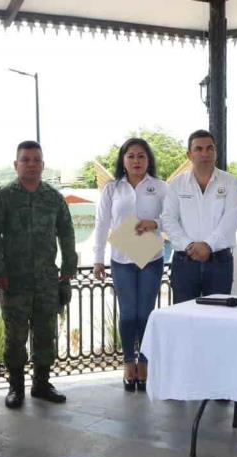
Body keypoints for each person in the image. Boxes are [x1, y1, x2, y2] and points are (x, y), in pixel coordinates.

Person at [0, 141, 78, 409]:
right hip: (13, 281)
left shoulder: (52, 197)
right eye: (25, 159)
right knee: (15, 336)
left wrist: (69, 265)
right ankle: (15, 387)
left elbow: (67, 232)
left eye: (36, 159)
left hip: (47, 279)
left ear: (42, 164)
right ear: (16, 165)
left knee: (45, 333)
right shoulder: (4, 197)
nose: (31, 164)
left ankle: (41, 383)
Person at [92, 138, 166, 392]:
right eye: (131, 156)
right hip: (121, 259)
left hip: (151, 259)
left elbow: (172, 220)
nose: (136, 161)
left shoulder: (160, 187)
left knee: (145, 314)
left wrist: (154, 223)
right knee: (128, 314)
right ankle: (127, 363)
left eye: (141, 156)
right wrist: (98, 259)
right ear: (123, 160)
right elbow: (101, 224)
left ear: (149, 160)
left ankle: (143, 363)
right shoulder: (112, 189)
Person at [162, 130, 237, 304]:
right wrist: (189, 245)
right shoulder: (177, 184)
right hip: (185, 260)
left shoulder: (230, 182)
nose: (204, 153)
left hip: (219, 260)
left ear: (216, 152)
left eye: (209, 148)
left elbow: (231, 219)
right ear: (189, 154)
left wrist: (208, 245)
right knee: (184, 317)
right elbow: (168, 219)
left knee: (218, 317)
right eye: (198, 149)